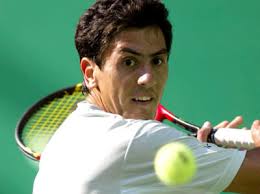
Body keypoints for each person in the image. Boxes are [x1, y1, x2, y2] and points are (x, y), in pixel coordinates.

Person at [33, 0, 260, 193]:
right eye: (129, 62)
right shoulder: (139, 140)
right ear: (90, 73)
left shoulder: (66, 136)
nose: (148, 78)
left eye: (157, 61)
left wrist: (209, 160)